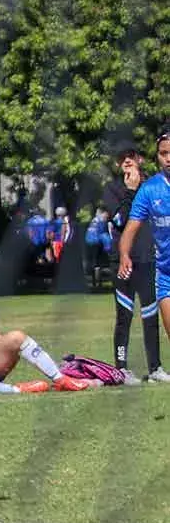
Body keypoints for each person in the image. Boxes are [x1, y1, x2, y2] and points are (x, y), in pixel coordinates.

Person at [104, 145, 168, 382]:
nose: (127, 161)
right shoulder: (112, 189)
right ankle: (121, 367)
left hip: (150, 260)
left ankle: (155, 368)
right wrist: (130, 191)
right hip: (123, 261)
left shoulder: (154, 186)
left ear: (140, 159)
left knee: (151, 315)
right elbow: (120, 220)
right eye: (122, 158)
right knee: (124, 315)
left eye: (131, 156)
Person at [118, 130, 170, 364]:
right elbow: (129, 229)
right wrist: (124, 254)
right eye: (163, 153)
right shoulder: (150, 190)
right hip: (166, 274)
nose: (168, 158)